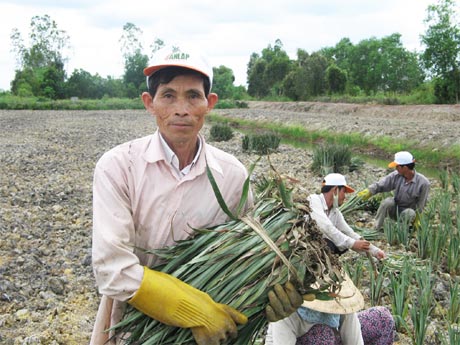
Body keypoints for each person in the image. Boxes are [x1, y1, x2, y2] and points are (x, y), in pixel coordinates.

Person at [90, 44, 254, 345]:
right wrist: (194, 311)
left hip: (212, 333)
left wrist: (271, 289)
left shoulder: (232, 177)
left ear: (210, 102)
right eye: (168, 96)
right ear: (149, 103)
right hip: (133, 326)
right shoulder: (118, 167)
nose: (181, 109)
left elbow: (246, 254)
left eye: (193, 96)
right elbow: (112, 267)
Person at [265, 274, 395, 345]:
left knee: (382, 317)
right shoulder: (288, 310)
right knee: (323, 334)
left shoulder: (340, 302)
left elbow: (354, 341)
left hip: (333, 339)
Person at [308, 173, 386, 259]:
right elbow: (325, 226)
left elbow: (349, 233)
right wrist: (352, 244)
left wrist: (375, 251)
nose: (344, 197)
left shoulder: (335, 212)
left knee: (341, 245)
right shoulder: (314, 200)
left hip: (318, 247)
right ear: (335, 190)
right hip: (306, 246)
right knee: (329, 244)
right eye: (344, 192)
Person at [357, 151, 430, 230]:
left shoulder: (424, 183)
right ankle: (376, 228)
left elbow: (421, 204)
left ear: (404, 167)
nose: (396, 168)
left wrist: (418, 218)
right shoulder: (396, 175)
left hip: (408, 214)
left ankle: (401, 232)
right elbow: (381, 184)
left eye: (397, 166)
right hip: (396, 209)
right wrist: (369, 191)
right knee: (388, 201)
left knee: (410, 213)